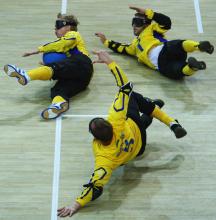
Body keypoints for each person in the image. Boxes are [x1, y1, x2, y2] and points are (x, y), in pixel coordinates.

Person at [57, 51, 187, 217]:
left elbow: (95, 186)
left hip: (137, 150)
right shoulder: (116, 119)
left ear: (95, 137)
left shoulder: (104, 159)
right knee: (134, 98)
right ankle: (164, 117)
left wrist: (75, 205)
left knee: (144, 118)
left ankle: (153, 108)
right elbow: (126, 87)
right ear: (109, 124)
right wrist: (109, 62)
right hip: (134, 130)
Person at [4, 13, 93, 120]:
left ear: (68, 27)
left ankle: (26, 76)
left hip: (82, 62)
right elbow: (66, 62)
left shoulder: (73, 34)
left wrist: (38, 50)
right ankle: (58, 105)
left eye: (58, 25)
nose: (55, 28)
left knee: (54, 68)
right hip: (83, 79)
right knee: (58, 91)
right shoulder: (67, 51)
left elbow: (61, 44)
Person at [95, 6, 214, 80]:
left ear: (146, 24)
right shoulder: (133, 46)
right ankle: (193, 66)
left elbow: (166, 22)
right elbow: (121, 48)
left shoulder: (152, 29)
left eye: (137, 22)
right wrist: (106, 41)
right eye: (133, 22)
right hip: (161, 65)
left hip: (165, 49)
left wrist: (149, 12)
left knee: (177, 44)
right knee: (177, 72)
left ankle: (199, 46)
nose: (134, 26)